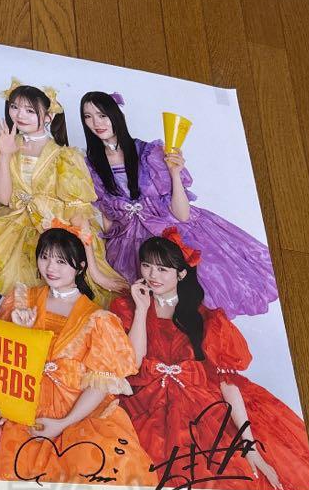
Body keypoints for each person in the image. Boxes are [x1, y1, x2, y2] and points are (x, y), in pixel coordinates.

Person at [110, 232, 309, 490]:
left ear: (181, 274)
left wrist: (250, 446)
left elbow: (227, 383)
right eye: (147, 265)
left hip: (203, 408)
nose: (152, 275)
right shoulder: (127, 307)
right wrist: (141, 310)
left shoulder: (207, 319)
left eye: (162, 269)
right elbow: (133, 362)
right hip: (143, 404)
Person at [81, 90, 278, 319]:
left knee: (196, 299)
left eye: (102, 115)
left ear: (116, 115)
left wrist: (175, 173)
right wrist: (104, 260)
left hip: (170, 231)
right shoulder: (89, 166)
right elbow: (108, 219)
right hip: (127, 246)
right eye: (88, 117)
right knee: (146, 311)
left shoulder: (149, 153)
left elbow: (182, 216)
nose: (96, 123)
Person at [0, 226, 153, 486]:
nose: (50, 267)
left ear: (80, 267)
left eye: (61, 261)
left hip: (79, 414)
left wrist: (63, 423)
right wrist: (23, 334)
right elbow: (0, 362)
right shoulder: (21, 300)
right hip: (23, 410)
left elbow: (100, 384)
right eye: (45, 257)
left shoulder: (97, 318)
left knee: (98, 472)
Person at [0, 81, 125, 305]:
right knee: (1, 300)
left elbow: (79, 214)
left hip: (53, 232)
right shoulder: (1, 142)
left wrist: (94, 270)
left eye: (30, 110)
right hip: (9, 228)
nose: (20, 115)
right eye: (15, 107)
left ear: (48, 117)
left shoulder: (65, 156)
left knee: (49, 300)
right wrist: (4, 154)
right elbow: (3, 198)